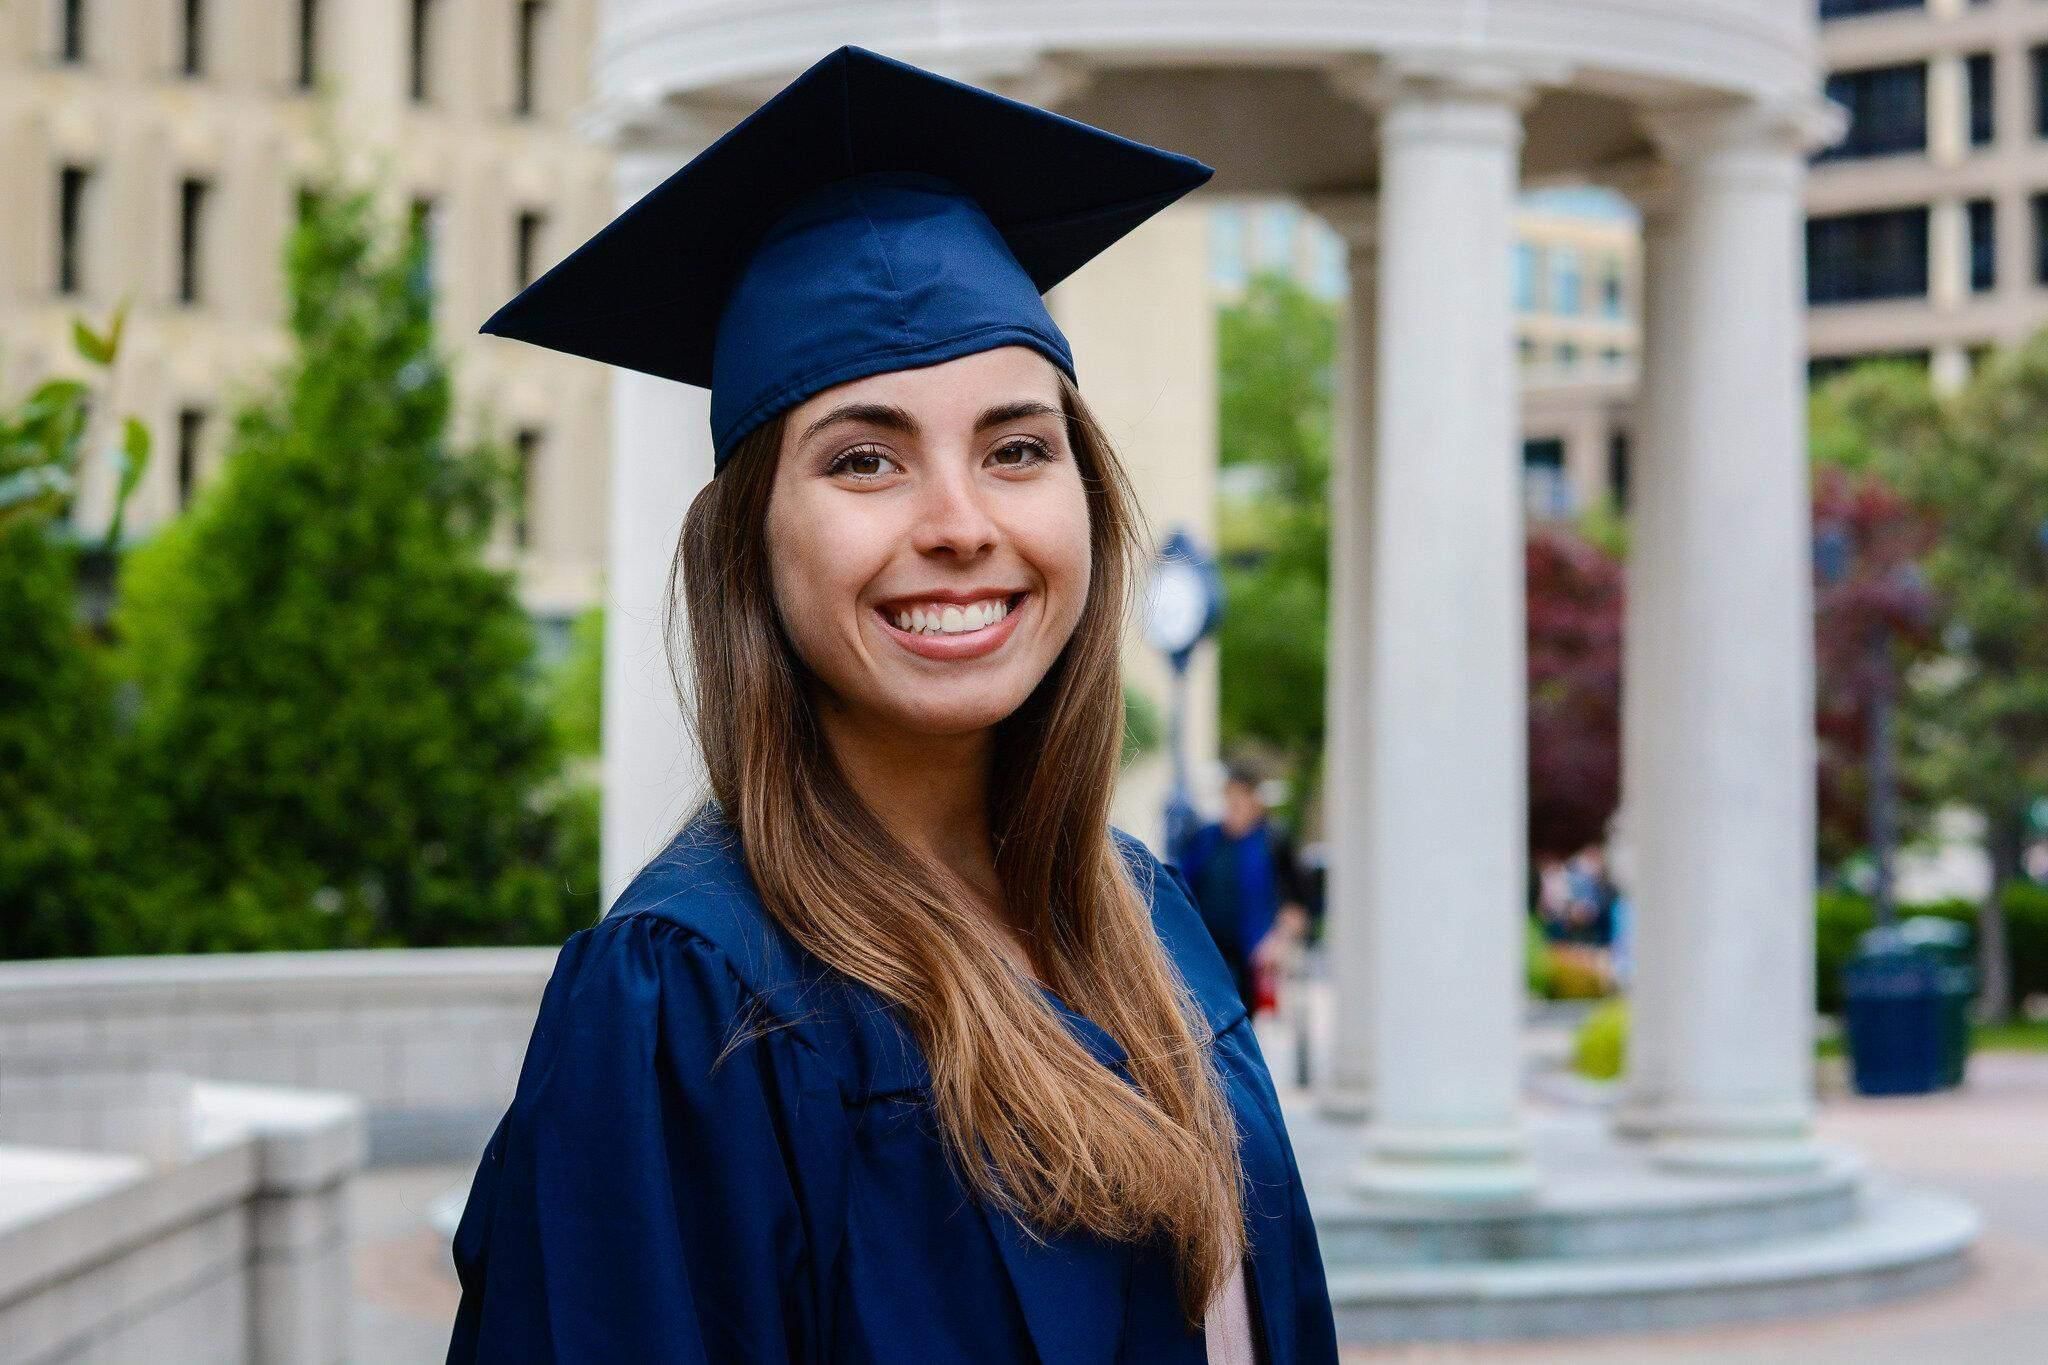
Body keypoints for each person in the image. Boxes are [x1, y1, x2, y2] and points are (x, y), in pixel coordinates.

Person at [445, 46, 1338, 1365]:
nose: (961, 523)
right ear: (752, 545)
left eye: (1017, 448)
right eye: (866, 458)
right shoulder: (686, 1004)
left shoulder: (1147, 919)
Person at [1175, 765, 1315, 1016]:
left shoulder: (1273, 841)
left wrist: (1277, 941)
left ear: (1254, 801)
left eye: (1241, 799)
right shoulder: (1207, 839)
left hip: (1251, 958)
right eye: (1230, 798)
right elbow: (1181, 885)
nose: (1234, 807)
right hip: (1206, 953)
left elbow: (1298, 903)